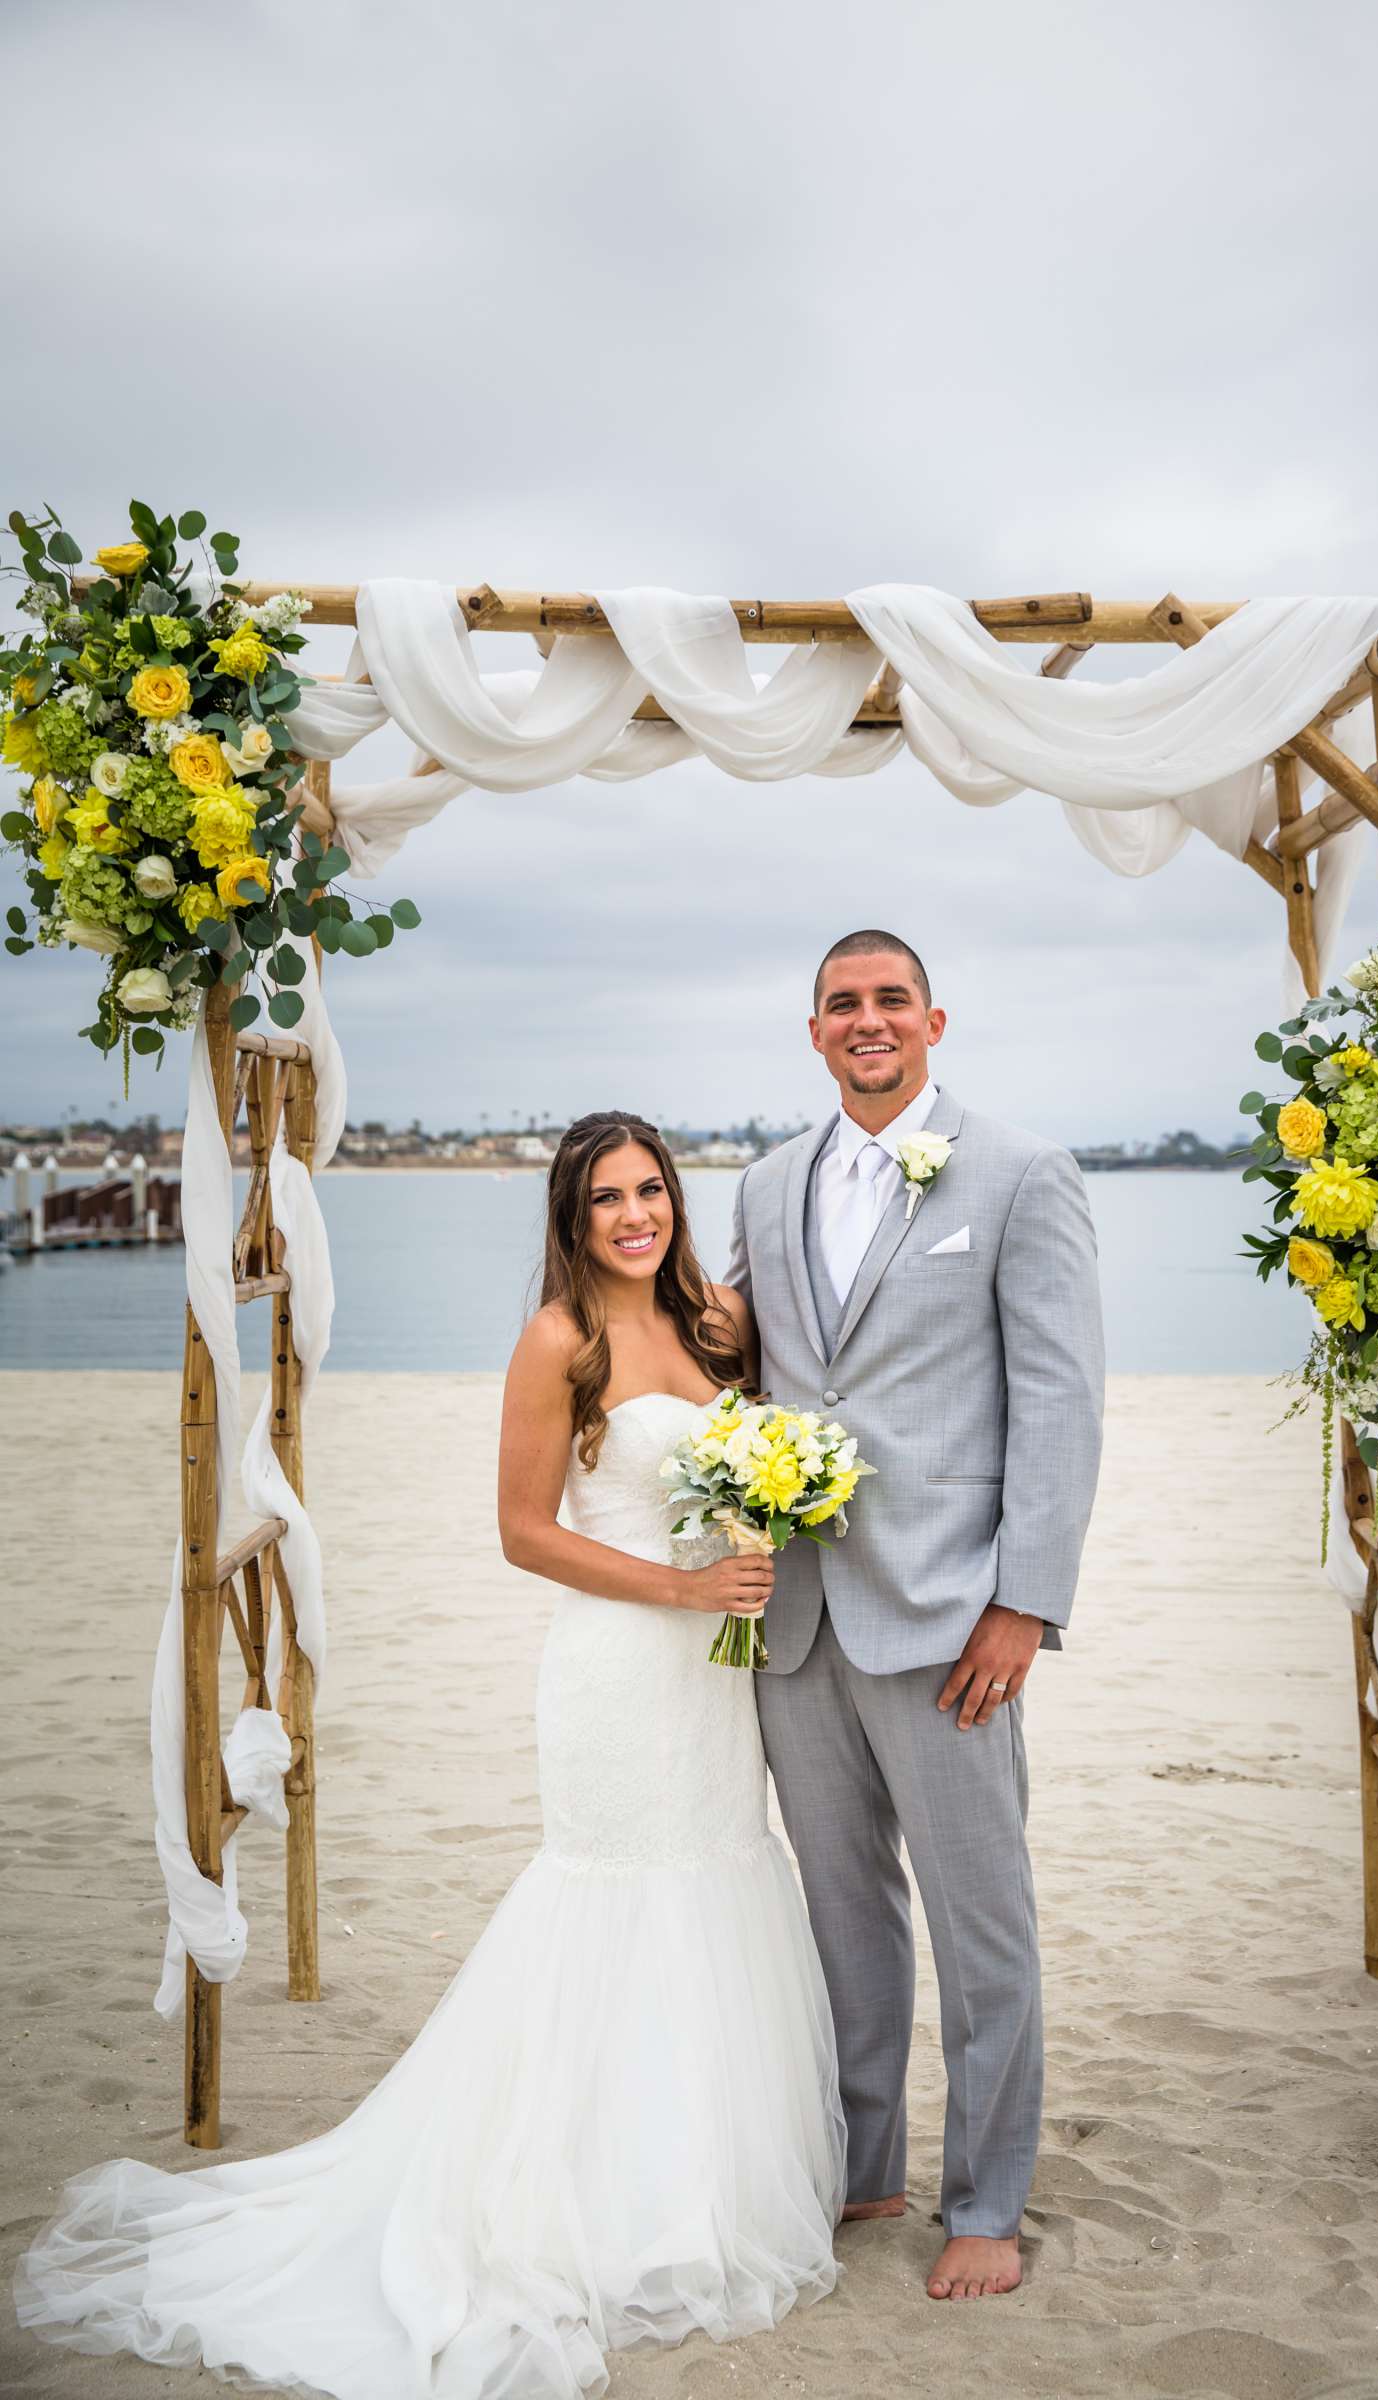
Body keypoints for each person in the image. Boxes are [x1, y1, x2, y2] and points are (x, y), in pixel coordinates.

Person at [15, 1110, 845, 2400]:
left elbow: (774, 1451)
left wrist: (768, 1523)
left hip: (721, 1681)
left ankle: (695, 2178)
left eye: (651, 1193)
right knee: (617, 1893)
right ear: (572, 1220)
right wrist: (681, 1593)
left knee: (721, 1877)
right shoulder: (555, 1339)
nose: (636, 1217)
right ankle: (575, 2197)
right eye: (606, 1201)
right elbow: (522, 1532)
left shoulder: (718, 1323)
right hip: (622, 1669)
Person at [727, 930, 1105, 2302]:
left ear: (933, 1021)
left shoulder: (1020, 1173)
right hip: (798, 1618)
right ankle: (867, 2166)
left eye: (891, 1001)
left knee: (980, 1918)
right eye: (843, 1004)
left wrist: (1025, 1603)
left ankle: (989, 2200)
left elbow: (1062, 1400)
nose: (868, 1021)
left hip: (950, 1617)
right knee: (843, 1917)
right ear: (813, 1029)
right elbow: (752, 1370)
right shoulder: (768, 1184)